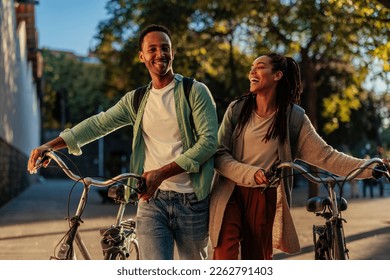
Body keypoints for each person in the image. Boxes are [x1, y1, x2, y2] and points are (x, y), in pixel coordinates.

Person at [27, 24, 218, 260]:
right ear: (142, 56)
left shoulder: (195, 91)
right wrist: (50, 145)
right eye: (153, 49)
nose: (160, 54)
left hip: (191, 200)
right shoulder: (137, 100)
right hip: (151, 201)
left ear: (173, 52)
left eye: (165, 48)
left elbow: (209, 142)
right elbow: (99, 124)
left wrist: (161, 173)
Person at [209, 52, 389, 260]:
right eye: (251, 67)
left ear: (277, 75)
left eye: (259, 66)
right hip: (230, 192)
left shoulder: (294, 118)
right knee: (224, 254)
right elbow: (219, 155)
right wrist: (251, 173)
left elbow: (327, 156)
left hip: (264, 195)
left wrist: (371, 167)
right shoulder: (237, 109)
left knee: (256, 259)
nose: (252, 71)